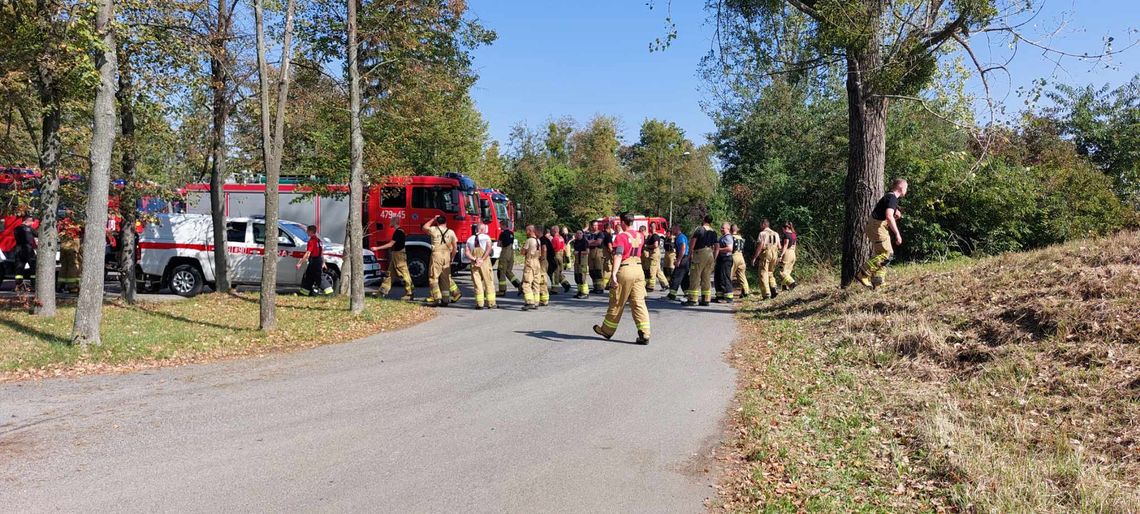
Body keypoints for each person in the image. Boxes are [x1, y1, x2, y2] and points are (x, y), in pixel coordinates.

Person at [593, 212, 650, 345]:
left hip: (625, 269)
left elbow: (618, 255)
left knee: (617, 301)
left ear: (624, 222)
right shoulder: (640, 235)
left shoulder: (621, 237)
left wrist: (613, 274)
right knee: (639, 303)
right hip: (638, 269)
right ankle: (645, 333)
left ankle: (607, 330)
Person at [857, 179, 908, 288]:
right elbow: (889, 216)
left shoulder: (889, 197)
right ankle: (863, 273)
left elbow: (887, 211)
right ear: (901, 188)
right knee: (887, 254)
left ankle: (878, 281)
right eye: (906, 188)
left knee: (881, 254)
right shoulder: (892, 198)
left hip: (874, 226)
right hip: (877, 227)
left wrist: (896, 211)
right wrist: (897, 234)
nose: (906, 190)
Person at [423, 215, 460, 306]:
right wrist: (452, 257)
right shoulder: (451, 232)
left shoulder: (434, 229)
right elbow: (455, 247)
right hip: (447, 255)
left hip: (437, 255)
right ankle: (445, 299)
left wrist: (433, 218)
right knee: (445, 278)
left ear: (437, 222)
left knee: (433, 277)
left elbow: (424, 227)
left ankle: (437, 297)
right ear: (446, 222)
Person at [371, 225, 414, 301]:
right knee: (389, 275)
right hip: (396, 255)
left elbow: (391, 244)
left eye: (392, 220)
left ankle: (409, 293)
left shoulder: (398, 232)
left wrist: (377, 248)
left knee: (404, 274)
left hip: (399, 256)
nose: (390, 221)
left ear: (395, 222)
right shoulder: (400, 231)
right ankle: (382, 292)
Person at [687, 215, 718, 306]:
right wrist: (714, 257)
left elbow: (693, 242)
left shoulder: (699, 229)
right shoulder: (713, 232)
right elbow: (717, 246)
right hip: (710, 254)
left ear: (703, 220)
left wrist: (690, 253)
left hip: (700, 253)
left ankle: (692, 299)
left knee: (695, 276)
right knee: (706, 277)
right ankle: (706, 299)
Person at [465, 223, 496, 309]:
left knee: (477, 283)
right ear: (482, 230)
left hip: (474, 262)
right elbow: (489, 249)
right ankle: (491, 303)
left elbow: (467, 252)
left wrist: (474, 259)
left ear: (476, 230)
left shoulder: (469, 239)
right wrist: (482, 259)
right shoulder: (486, 237)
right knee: (488, 282)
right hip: (484, 261)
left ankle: (479, 304)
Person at [295, 225, 334, 296]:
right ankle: (304, 293)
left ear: (310, 231)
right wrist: (323, 262)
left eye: (307, 231)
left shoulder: (311, 241)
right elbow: (321, 252)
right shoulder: (318, 241)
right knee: (309, 277)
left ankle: (329, 292)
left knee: (319, 277)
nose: (306, 232)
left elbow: (308, 253)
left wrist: (300, 263)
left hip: (314, 261)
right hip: (317, 260)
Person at [750, 219, 781, 300]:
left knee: (763, 273)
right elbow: (779, 246)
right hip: (775, 254)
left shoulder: (762, 233)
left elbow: (761, 245)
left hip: (766, 254)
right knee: (770, 272)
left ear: (764, 225)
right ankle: (774, 288)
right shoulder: (776, 233)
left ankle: (766, 293)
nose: (760, 226)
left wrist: (755, 257)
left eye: (761, 225)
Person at [521, 225, 544, 310]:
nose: (526, 232)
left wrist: (523, 249)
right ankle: (536, 301)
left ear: (531, 230)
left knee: (526, 283)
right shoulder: (538, 240)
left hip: (530, 262)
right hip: (537, 262)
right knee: (536, 283)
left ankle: (529, 302)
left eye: (527, 231)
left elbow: (523, 252)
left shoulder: (529, 240)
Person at [10, 215, 36, 290]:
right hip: (28, 250)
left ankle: (18, 285)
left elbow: (16, 237)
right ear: (27, 221)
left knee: (19, 269)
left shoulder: (16, 228)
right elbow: (37, 234)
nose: (32, 223)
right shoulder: (30, 229)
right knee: (33, 268)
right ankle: (33, 286)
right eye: (31, 221)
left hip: (19, 250)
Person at [496, 224, 522, 296]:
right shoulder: (511, 233)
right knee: (508, 271)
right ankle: (519, 285)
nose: (500, 227)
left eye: (501, 225)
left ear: (503, 225)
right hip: (511, 253)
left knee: (501, 271)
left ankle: (502, 290)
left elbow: (499, 244)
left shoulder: (503, 233)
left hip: (504, 254)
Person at [666, 224, 689, 302]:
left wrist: (678, 260)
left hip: (682, 259)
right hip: (685, 259)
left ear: (677, 229)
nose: (672, 231)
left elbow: (683, 247)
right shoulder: (681, 236)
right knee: (684, 278)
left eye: (673, 229)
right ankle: (687, 293)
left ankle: (672, 295)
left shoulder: (680, 237)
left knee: (675, 277)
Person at [714, 222, 736, 303]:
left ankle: (728, 297)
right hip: (721, 259)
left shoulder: (728, 237)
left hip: (726, 259)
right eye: (721, 227)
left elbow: (730, 248)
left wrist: (718, 249)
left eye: (723, 228)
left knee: (725, 277)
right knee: (718, 277)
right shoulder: (723, 237)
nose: (721, 229)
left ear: (728, 228)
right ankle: (719, 296)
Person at [547, 225, 571, 293]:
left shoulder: (555, 238)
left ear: (554, 231)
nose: (551, 232)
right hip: (561, 255)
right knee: (558, 272)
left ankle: (555, 289)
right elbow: (564, 247)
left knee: (554, 273)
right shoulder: (561, 238)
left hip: (555, 255)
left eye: (551, 231)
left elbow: (552, 248)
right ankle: (566, 284)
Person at [730, 224, 750, 298]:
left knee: (729, 274)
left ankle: (728, 292)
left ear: (730, 230)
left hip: (734, 256)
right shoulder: (741, 238)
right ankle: (746, 291)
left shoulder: (731, 237)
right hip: (741, 256)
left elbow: (731, 248)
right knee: (742, 275)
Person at [587, 221, 605, 293]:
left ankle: (600, 288)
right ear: (591, 226)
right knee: (592, 271)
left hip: (598, 252)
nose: (595, 227)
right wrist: (591, 241)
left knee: (598, 270)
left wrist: (590, 242)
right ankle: (595, 287)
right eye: (594, 225)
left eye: (596, 225)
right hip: (590, 253)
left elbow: (598, 242)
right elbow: (585, 242)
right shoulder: (590, 234)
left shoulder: (600, 233)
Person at [572, 228, 591, 298]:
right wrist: (574, 252)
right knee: (577, 277)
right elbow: (575, 250)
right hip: (577, 262)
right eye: (577, 233)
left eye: (580, 233)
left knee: (582, 277)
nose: (579, 234)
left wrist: (579, 252)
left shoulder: (585, 242)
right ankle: (579, 292)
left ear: (583, 234)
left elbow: (587, 251)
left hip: (583, 262)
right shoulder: (576, 241)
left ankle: (585, 293)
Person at [779, 221, 798, 290]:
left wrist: (781, 255)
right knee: (788, 271)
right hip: (793, 253)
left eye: (783, 229)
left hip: (787, 252)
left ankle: (792, 283)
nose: (782, 231)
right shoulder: (794, 234)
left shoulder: (786, 235)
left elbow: (785, 245)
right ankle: (784, 287)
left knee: (782, 272)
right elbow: (795, 245)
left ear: (785, 228)